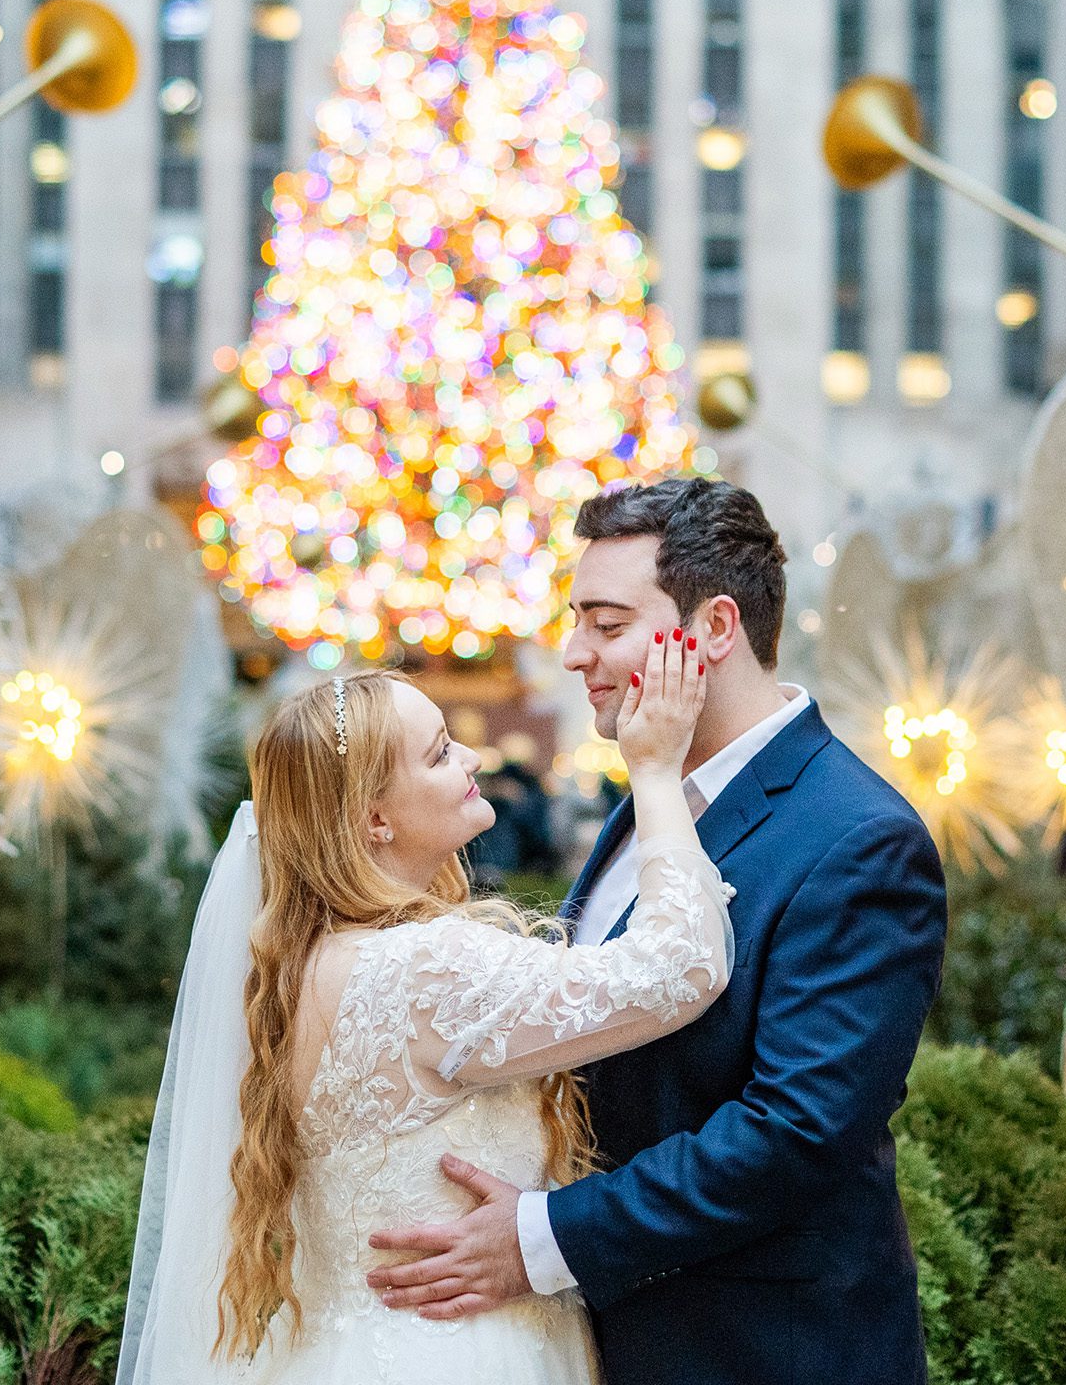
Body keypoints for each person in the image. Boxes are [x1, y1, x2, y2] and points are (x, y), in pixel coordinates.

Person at [361, 476, 949, 1385]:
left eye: (606, 624)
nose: (573, 653)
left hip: (760, 1350)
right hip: (602, 1338)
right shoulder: (651, 790)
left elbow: (796, 1132)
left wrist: (545, 1238)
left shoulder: (859, 841)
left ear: (712, 630)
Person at [117, 629, 728, 1384]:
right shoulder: (422, 967)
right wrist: (658, 773)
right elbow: (680, 969)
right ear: (377, 818)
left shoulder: (306, 964)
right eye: (440, 754)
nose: (472, 759)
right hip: (459, 1354)